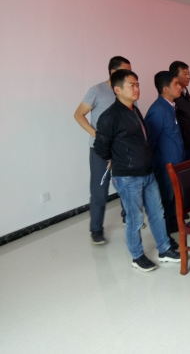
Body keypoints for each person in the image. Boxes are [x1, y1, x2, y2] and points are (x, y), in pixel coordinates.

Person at [94, 69, 180, 272]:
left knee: (157, 213)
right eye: (131, 85)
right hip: (128, 176)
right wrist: (117, 160)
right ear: (117, 89)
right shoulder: (110, 117)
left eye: (138, 84)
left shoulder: (134, 110)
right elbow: (101, 147)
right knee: (135, 218)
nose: (136, 88)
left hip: (147, 173)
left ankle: (164, 249)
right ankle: (137, 256)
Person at [74, 56, 135, 245]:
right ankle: (96, 229)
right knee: (99, 190)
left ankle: (127, 217)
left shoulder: (125, 90)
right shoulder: (97, 90)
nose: (130, 75)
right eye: (125, 70)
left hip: (122, 149)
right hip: (100, 150)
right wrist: (99, 136)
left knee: (126, 185)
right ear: (113, 72)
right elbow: (79, 114)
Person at [144, 71, 183, 242]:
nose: (180, 87)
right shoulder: (158, 110)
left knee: (173, 197)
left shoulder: (170, 106)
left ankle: (173, 224)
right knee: (165, 199)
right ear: (165, 89)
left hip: (173, 163)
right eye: (176, 84)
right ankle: (165, 235)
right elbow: (150, 142)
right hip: (164, 165)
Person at [170, 61, 190, 161]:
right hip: (181, 145)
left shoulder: (185, 91)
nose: (188, 77)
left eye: (189, 73)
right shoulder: (173, 96)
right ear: (175, 76)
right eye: (185, 74)